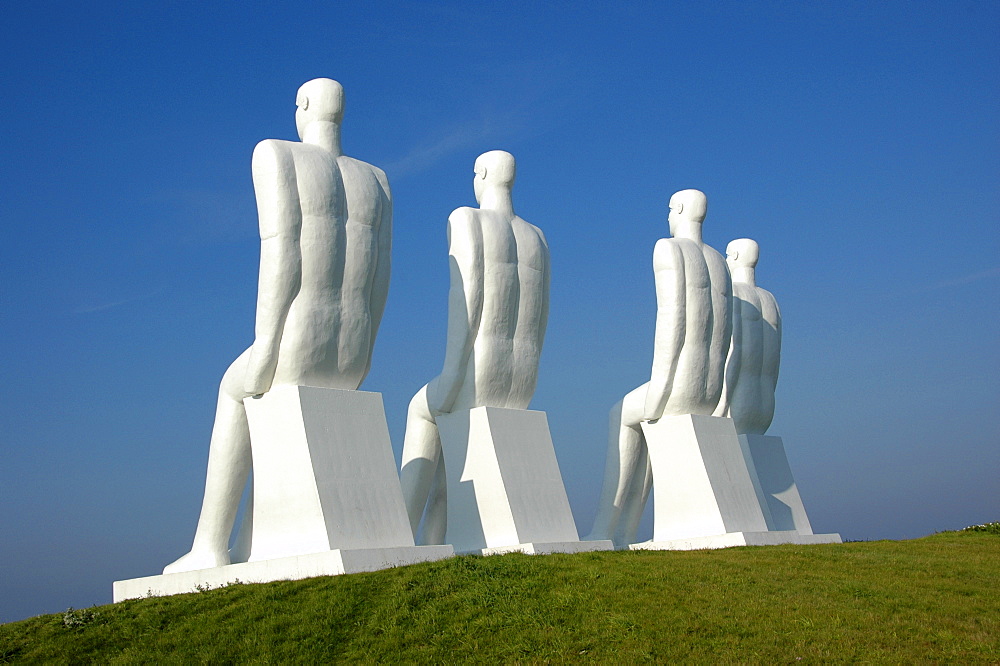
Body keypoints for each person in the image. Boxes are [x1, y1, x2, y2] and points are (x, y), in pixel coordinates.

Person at [165, 78, 392, 574]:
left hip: (296, 341)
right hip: (352, 347)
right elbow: (381, 274)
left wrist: (267, 343)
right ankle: (249, 535)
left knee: (232, 391)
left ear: (303, 107)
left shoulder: (278, 155)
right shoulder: (375, 179)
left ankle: (210, 545)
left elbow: (282, 249)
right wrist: (368, 345)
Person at [399, 150, 550, 545]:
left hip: (478, 373)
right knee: (455, 443)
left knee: (420, 411)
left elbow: (466, 299)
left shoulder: (467, 220)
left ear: (481, 174)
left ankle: (399, 531)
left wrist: (452, 373)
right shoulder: (537, 238)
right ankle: (435, 541)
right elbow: (542, 314)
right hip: (521, 380)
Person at [586, 189, 732, 548]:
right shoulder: (719, 262)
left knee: (620, 413)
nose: (668, 217)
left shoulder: (669, 249)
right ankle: (627, 531)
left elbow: (672, 319)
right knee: (645, 425)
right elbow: (728, 337)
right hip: (709, 388)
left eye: (669, 210)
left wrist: (661, 389)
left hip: (679, 384)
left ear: (679, 209)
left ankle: (607, 529)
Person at [716, 238, 781, 435]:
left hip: (739, 402)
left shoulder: (735, 293)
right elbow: (774, 362)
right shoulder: (771, 300)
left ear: (734, 256)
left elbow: (735, 353)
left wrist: (721, 404)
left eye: (727, 255)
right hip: (765, 406)